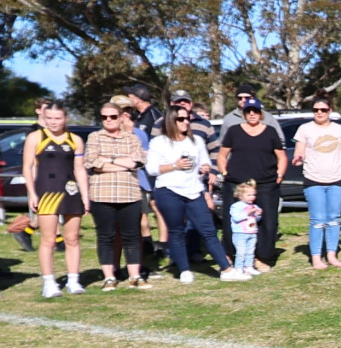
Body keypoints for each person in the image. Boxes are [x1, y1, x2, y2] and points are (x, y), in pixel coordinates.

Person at [148, 103, 239, 281]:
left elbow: (204, 162)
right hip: (168, 191)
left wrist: (205, 168)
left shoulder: (195, 141)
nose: (185, 122)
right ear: (170, 121)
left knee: (208, 230)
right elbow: (151, 169)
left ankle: (227, 270)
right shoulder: (159, 142)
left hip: (194, 191)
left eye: (187, 118)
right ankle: (184, 270)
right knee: (176, 231)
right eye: (180, 119)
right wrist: (175, 165)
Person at [294, 97, 341, 269]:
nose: (319, 113)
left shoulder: (340, 130)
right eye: (316, 110)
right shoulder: (304, 129)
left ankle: (332, 255)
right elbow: (299, 150)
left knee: (334, 219)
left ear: (330, 111)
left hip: (337, 180)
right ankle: (316, 258)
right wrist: (298, 158)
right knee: (318, 220)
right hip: (314, 181)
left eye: (323, 110)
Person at [83, 99, 150, 289]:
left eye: (113, 116)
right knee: (106, 236)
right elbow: (92, 163)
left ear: (122, 118)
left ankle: (135, 276)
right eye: (104, 117)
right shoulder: (95, 137)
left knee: (132, 235)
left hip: (130, 194)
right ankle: (109, 277)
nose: (109, 120)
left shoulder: (132, 138)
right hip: (101, 194)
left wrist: (108, 160)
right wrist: (122, 163)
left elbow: (137, 161)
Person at [24, 99, 88, 297]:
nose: (53, 122)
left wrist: (85, 196)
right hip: (46, 191)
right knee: (49, 240)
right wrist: (32, 194)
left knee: (72, 238)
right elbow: (27, 167)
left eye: (57, 118)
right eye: (49, 118)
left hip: (70, 192)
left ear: (65, 118)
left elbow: (79, 169)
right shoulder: (35, 137)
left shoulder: (75, 139)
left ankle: (73, 280)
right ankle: (49, 282)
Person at [215, 99, 285, 272]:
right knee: (233, 221)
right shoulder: (233, 131)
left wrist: (280, 175)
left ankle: (261, 257)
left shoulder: (270, 132)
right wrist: (224, 172)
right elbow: (222, 155)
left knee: (268, 222)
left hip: (266, 183)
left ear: (261, 113)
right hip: (236, 183)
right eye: (248, 111)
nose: (252, 114)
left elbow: (282, 156)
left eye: (255, 111)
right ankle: (231, 255)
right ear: (244, 113)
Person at [228, 180, 262, 276]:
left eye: (253, 195)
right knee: (241, 252)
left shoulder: (254, 206)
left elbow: (256, 220)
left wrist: (258, 215)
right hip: (240, 233)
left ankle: (249, 267)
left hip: (252, 232)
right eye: (249, 195)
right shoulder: (236, 206)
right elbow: (236, 218)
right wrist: (247, 213)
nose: (252, 197)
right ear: (240, 196)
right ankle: (238, 268)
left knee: (250, 251)